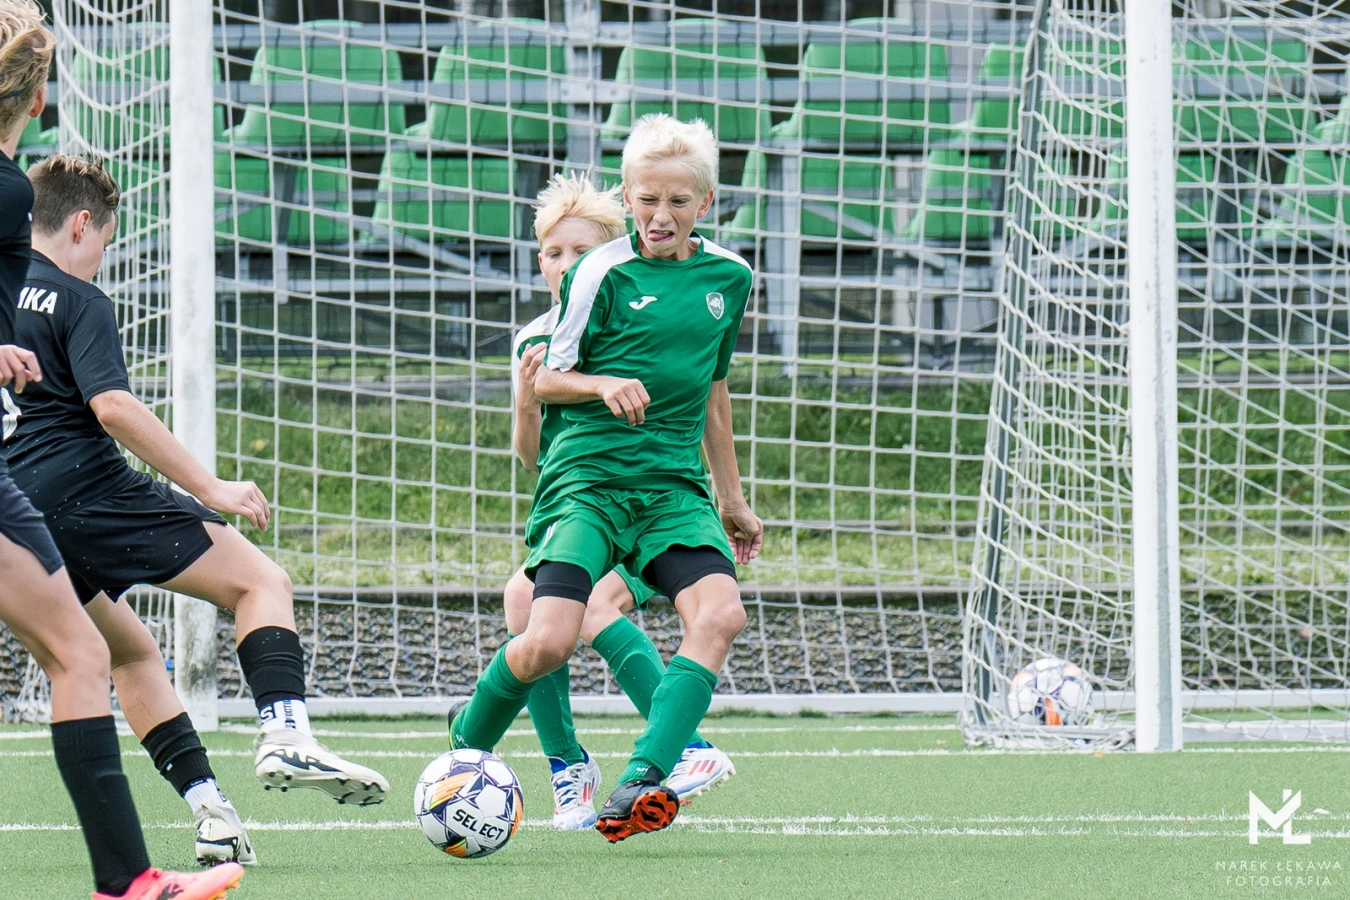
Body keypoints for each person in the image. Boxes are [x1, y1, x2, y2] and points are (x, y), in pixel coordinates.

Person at [3, 153, 391, 820]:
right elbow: (113, 407)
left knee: (128, 653)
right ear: (82, 224)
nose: (101, 259)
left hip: (20, 518)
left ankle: (213, 813)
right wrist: (211, 487)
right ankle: (287, 734)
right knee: (262, 583)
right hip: (90, 493)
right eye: (105, 243)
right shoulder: (80, 298)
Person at [451, 114, 763, 843]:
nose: (661, 215)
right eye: (647, 200)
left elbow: (715, 394)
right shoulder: (599, 273)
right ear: (628, 198)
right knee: (546, 641)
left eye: (678, 202)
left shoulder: (731, 277)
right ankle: (465, 745)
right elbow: (547, 379)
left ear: (705, 203)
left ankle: (646, 776)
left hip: (672, 490)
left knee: (721, 615)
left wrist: (732, 497)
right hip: (587, 483)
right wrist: (601, 384)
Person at [0, 3, 243, 897]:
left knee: (91, 651)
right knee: (82, 654)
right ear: (37, 100)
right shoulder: (10, 193)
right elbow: (110, 406)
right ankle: (128, 882)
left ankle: (133, 877)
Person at [505, 172, 735, 831]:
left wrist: (730, 497)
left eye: (581, 251)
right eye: (554, 253)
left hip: (652, 511)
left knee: (594, 605)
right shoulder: (536, 340)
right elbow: (533, 459)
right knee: (521, 598)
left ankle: (687, 748)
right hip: (586, 509)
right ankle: (569, 770)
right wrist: (526, 402)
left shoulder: (644, 318)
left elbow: (709, 398)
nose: (566, 264)